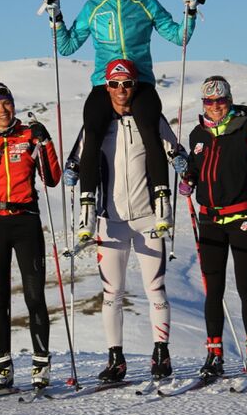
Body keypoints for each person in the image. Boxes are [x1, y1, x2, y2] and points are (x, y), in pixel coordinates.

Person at [44, 0, 203, 243]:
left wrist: (190, 11)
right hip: (103, 85)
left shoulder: (145, 3)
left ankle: (161, 202)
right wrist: (56, 16)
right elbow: (66, 47)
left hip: (140, 82)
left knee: (149, 131)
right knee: (92, 133)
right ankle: (88, 208)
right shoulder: (93, 7)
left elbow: (178, 36)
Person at [65, 59, 185, 383]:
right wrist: (71, 172)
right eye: (115, 84)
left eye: (127, 84)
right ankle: (115, 358)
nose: (121, 91)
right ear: (107, 87)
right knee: (111, 293)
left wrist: (184, 164)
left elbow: (174, 148)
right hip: (111, 220)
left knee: (155, 289)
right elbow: (78, 156)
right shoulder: (98, 121)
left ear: (135, 86)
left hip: (148, 218)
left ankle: (161, 352)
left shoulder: (149, 117)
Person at [0, 82, 61, 390]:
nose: (2, 110)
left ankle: (41, 365)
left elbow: (53, 178)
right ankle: (3, 368)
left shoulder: (28, 134)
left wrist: (45, 144)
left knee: (34, 295)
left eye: (6, 104)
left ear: (12, 105)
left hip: (26, 220)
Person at [179, 76, 247, 378]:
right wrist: (188, 181)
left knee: (245, 283)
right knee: (213, 289)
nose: (215, 108)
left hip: (241, 216)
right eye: (209, 103)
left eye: (220, 101)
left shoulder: (245, 127)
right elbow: (197, 170)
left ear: (230, 100)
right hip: (209, 216)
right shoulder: (197, 134)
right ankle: (214, 353)